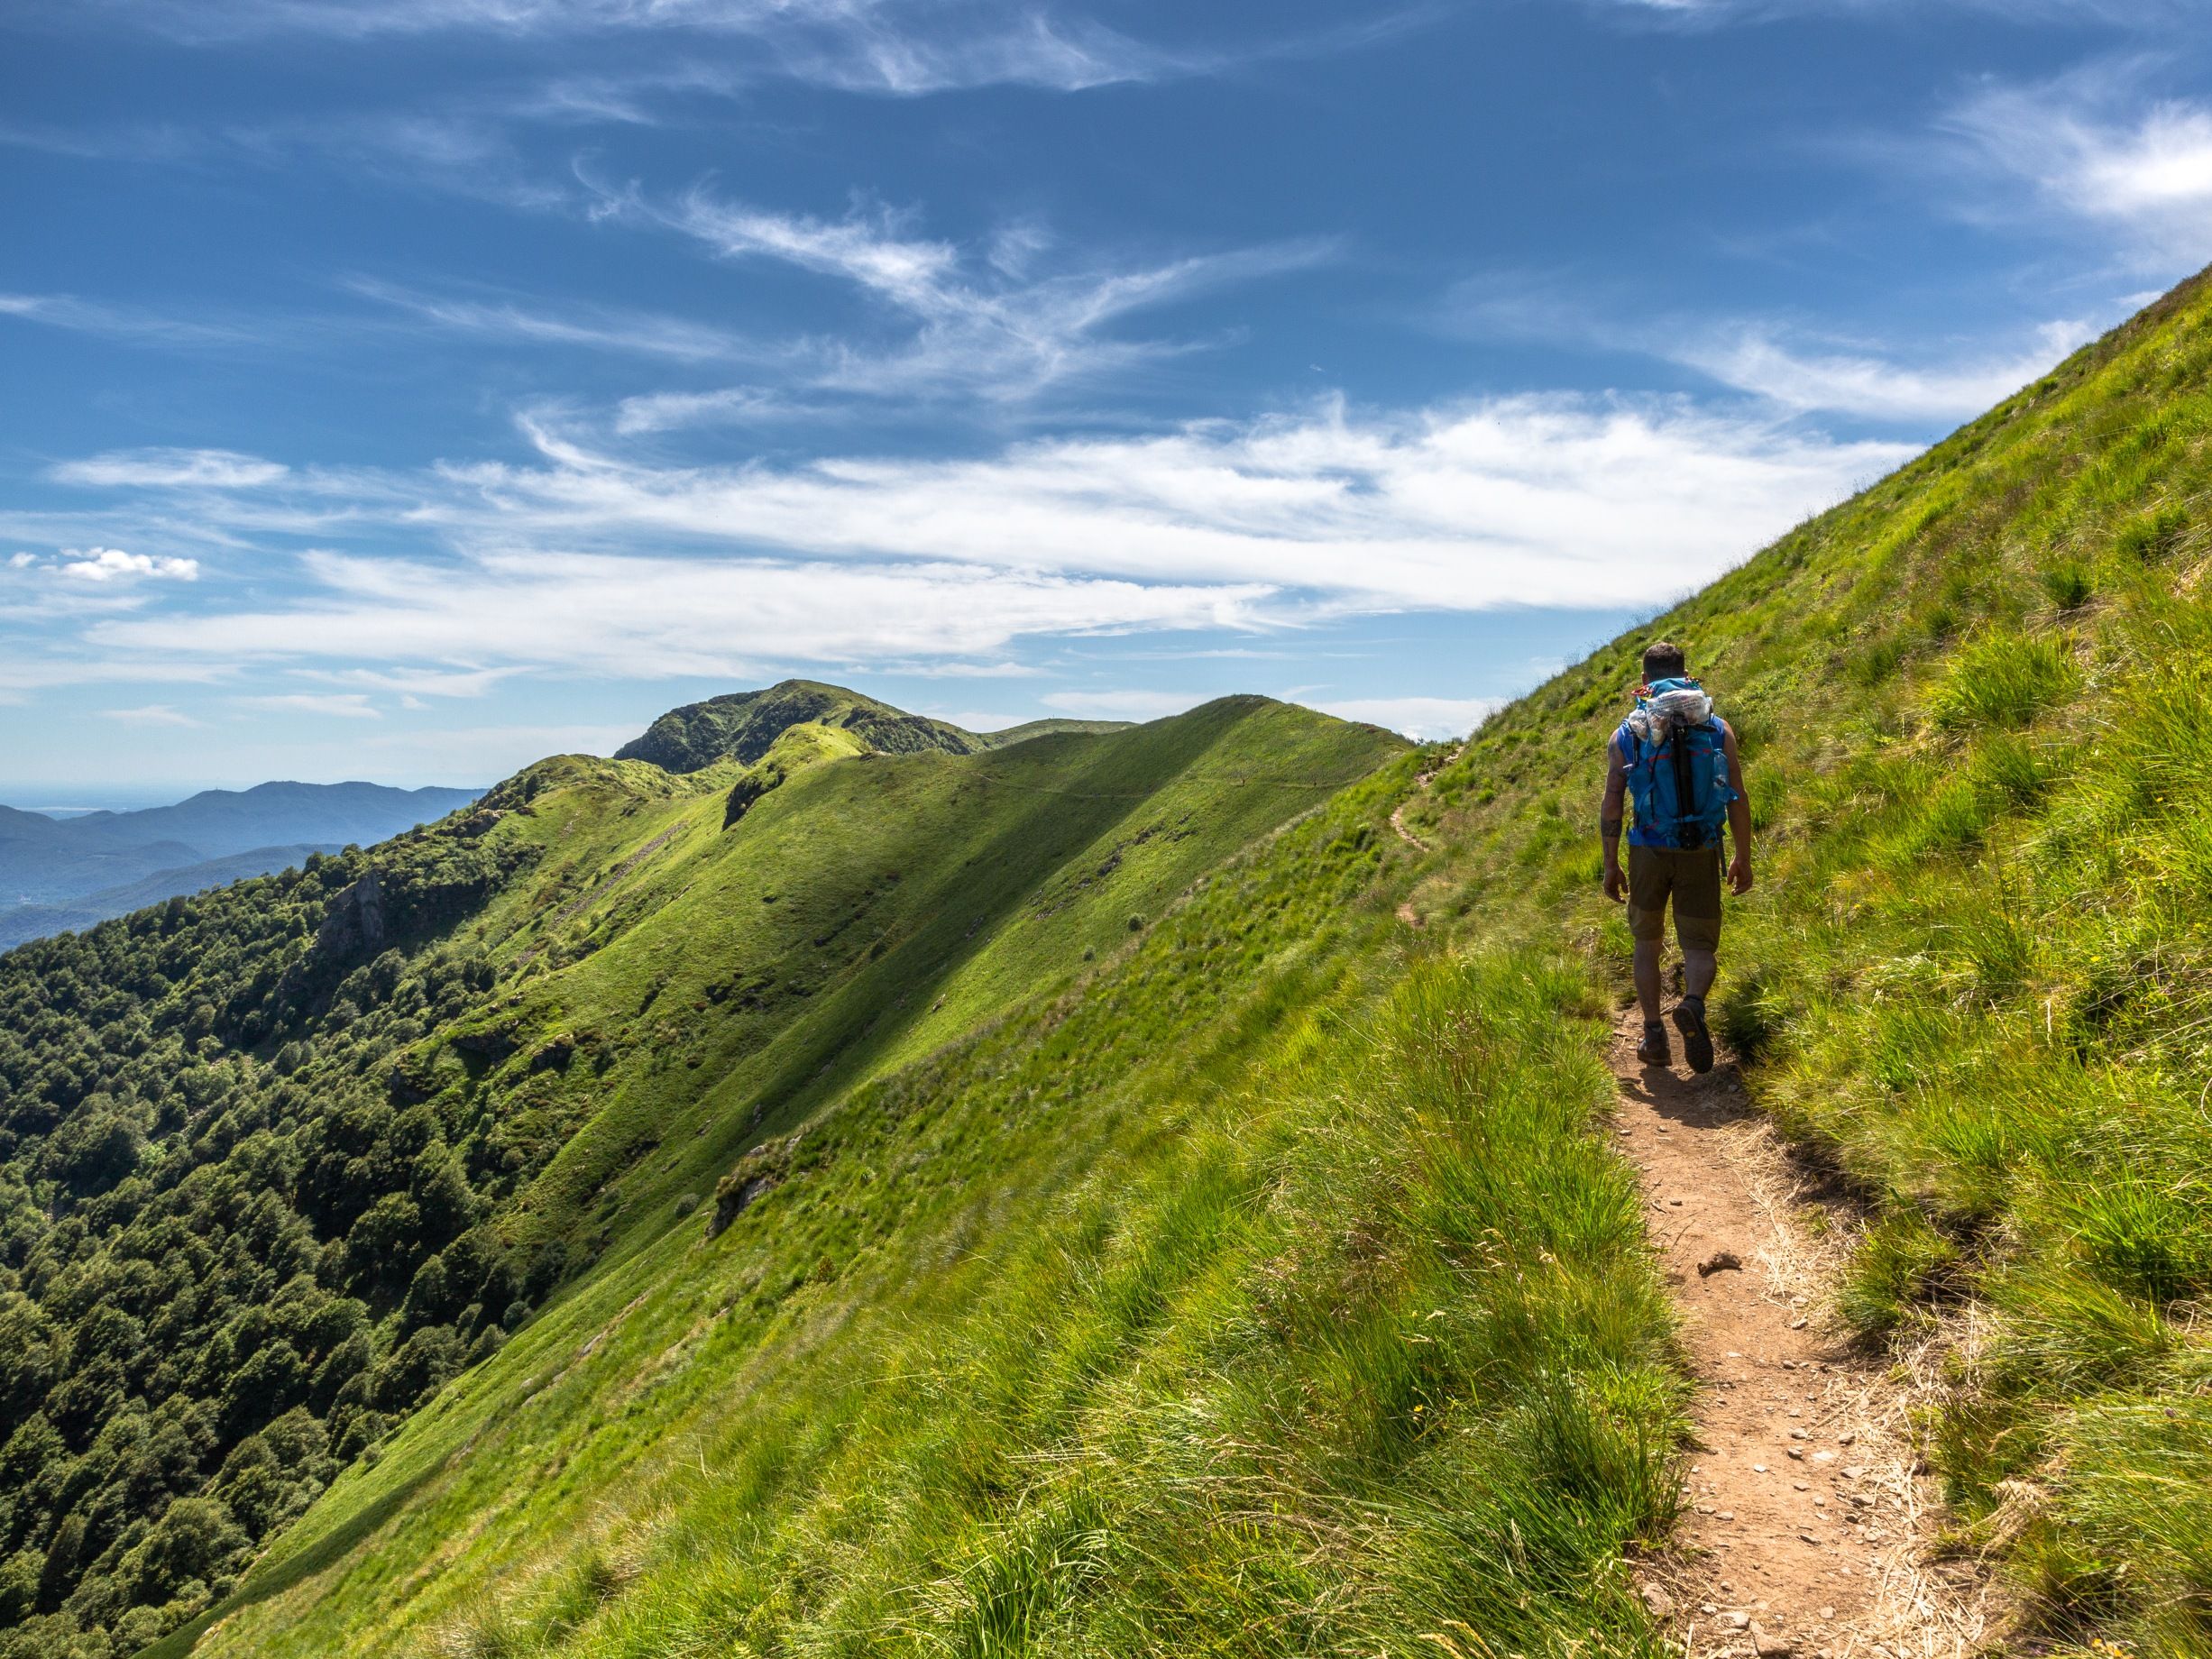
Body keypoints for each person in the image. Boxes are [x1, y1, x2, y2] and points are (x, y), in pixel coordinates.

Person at [1600, 640, 1753, 1072]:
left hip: (1647, 849)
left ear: (1644, 681)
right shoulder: (1717, 728)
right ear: (1687, 675)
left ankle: (1654, 1036)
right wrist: (1742, 855)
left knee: (1646, 944)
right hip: (1701, 847)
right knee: (1700, 947)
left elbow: (1613, 804)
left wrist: (1611, 863)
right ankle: (1692, 1004)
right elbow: (1736, 797)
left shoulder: (1627, 735)